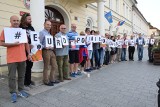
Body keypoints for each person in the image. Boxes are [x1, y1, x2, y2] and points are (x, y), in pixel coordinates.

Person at [0, 15, 31, 103]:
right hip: (12, 58)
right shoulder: (6, 31)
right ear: (10, 21)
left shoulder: (22, 31)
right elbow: (1, 43)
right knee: (12, 77)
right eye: (14, 20)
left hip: (22, 58)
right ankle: (13, 92)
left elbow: (26, 44)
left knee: (21, 76)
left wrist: (29, 54)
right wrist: (13, 44)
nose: (16, 22)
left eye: (17, 20)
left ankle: (21, 90)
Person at [39, 20, 59, 86]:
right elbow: (39, 43)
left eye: (50, 25)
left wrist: (53, 46)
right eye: (47, 24)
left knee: (54, 65)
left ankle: (52, 79)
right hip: (46, 51)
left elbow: (51, 43)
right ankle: (46, 80)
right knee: (46, 66)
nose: (49, 26)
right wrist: (44, 47)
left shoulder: (49, 34)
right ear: (44, 25)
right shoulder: (41, 33)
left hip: (51, 51)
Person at [19, 13, 35, 89]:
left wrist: (33, 44)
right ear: (24, 19)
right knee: (23, 67)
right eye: (29, 19)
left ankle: (28, 81)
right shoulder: (20, 27)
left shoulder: (31, 27)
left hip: (31, 50)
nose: (30, 20)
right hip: (22, 50)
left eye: (31, 19)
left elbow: (34, 37)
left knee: (29, 65)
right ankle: (24, 83)